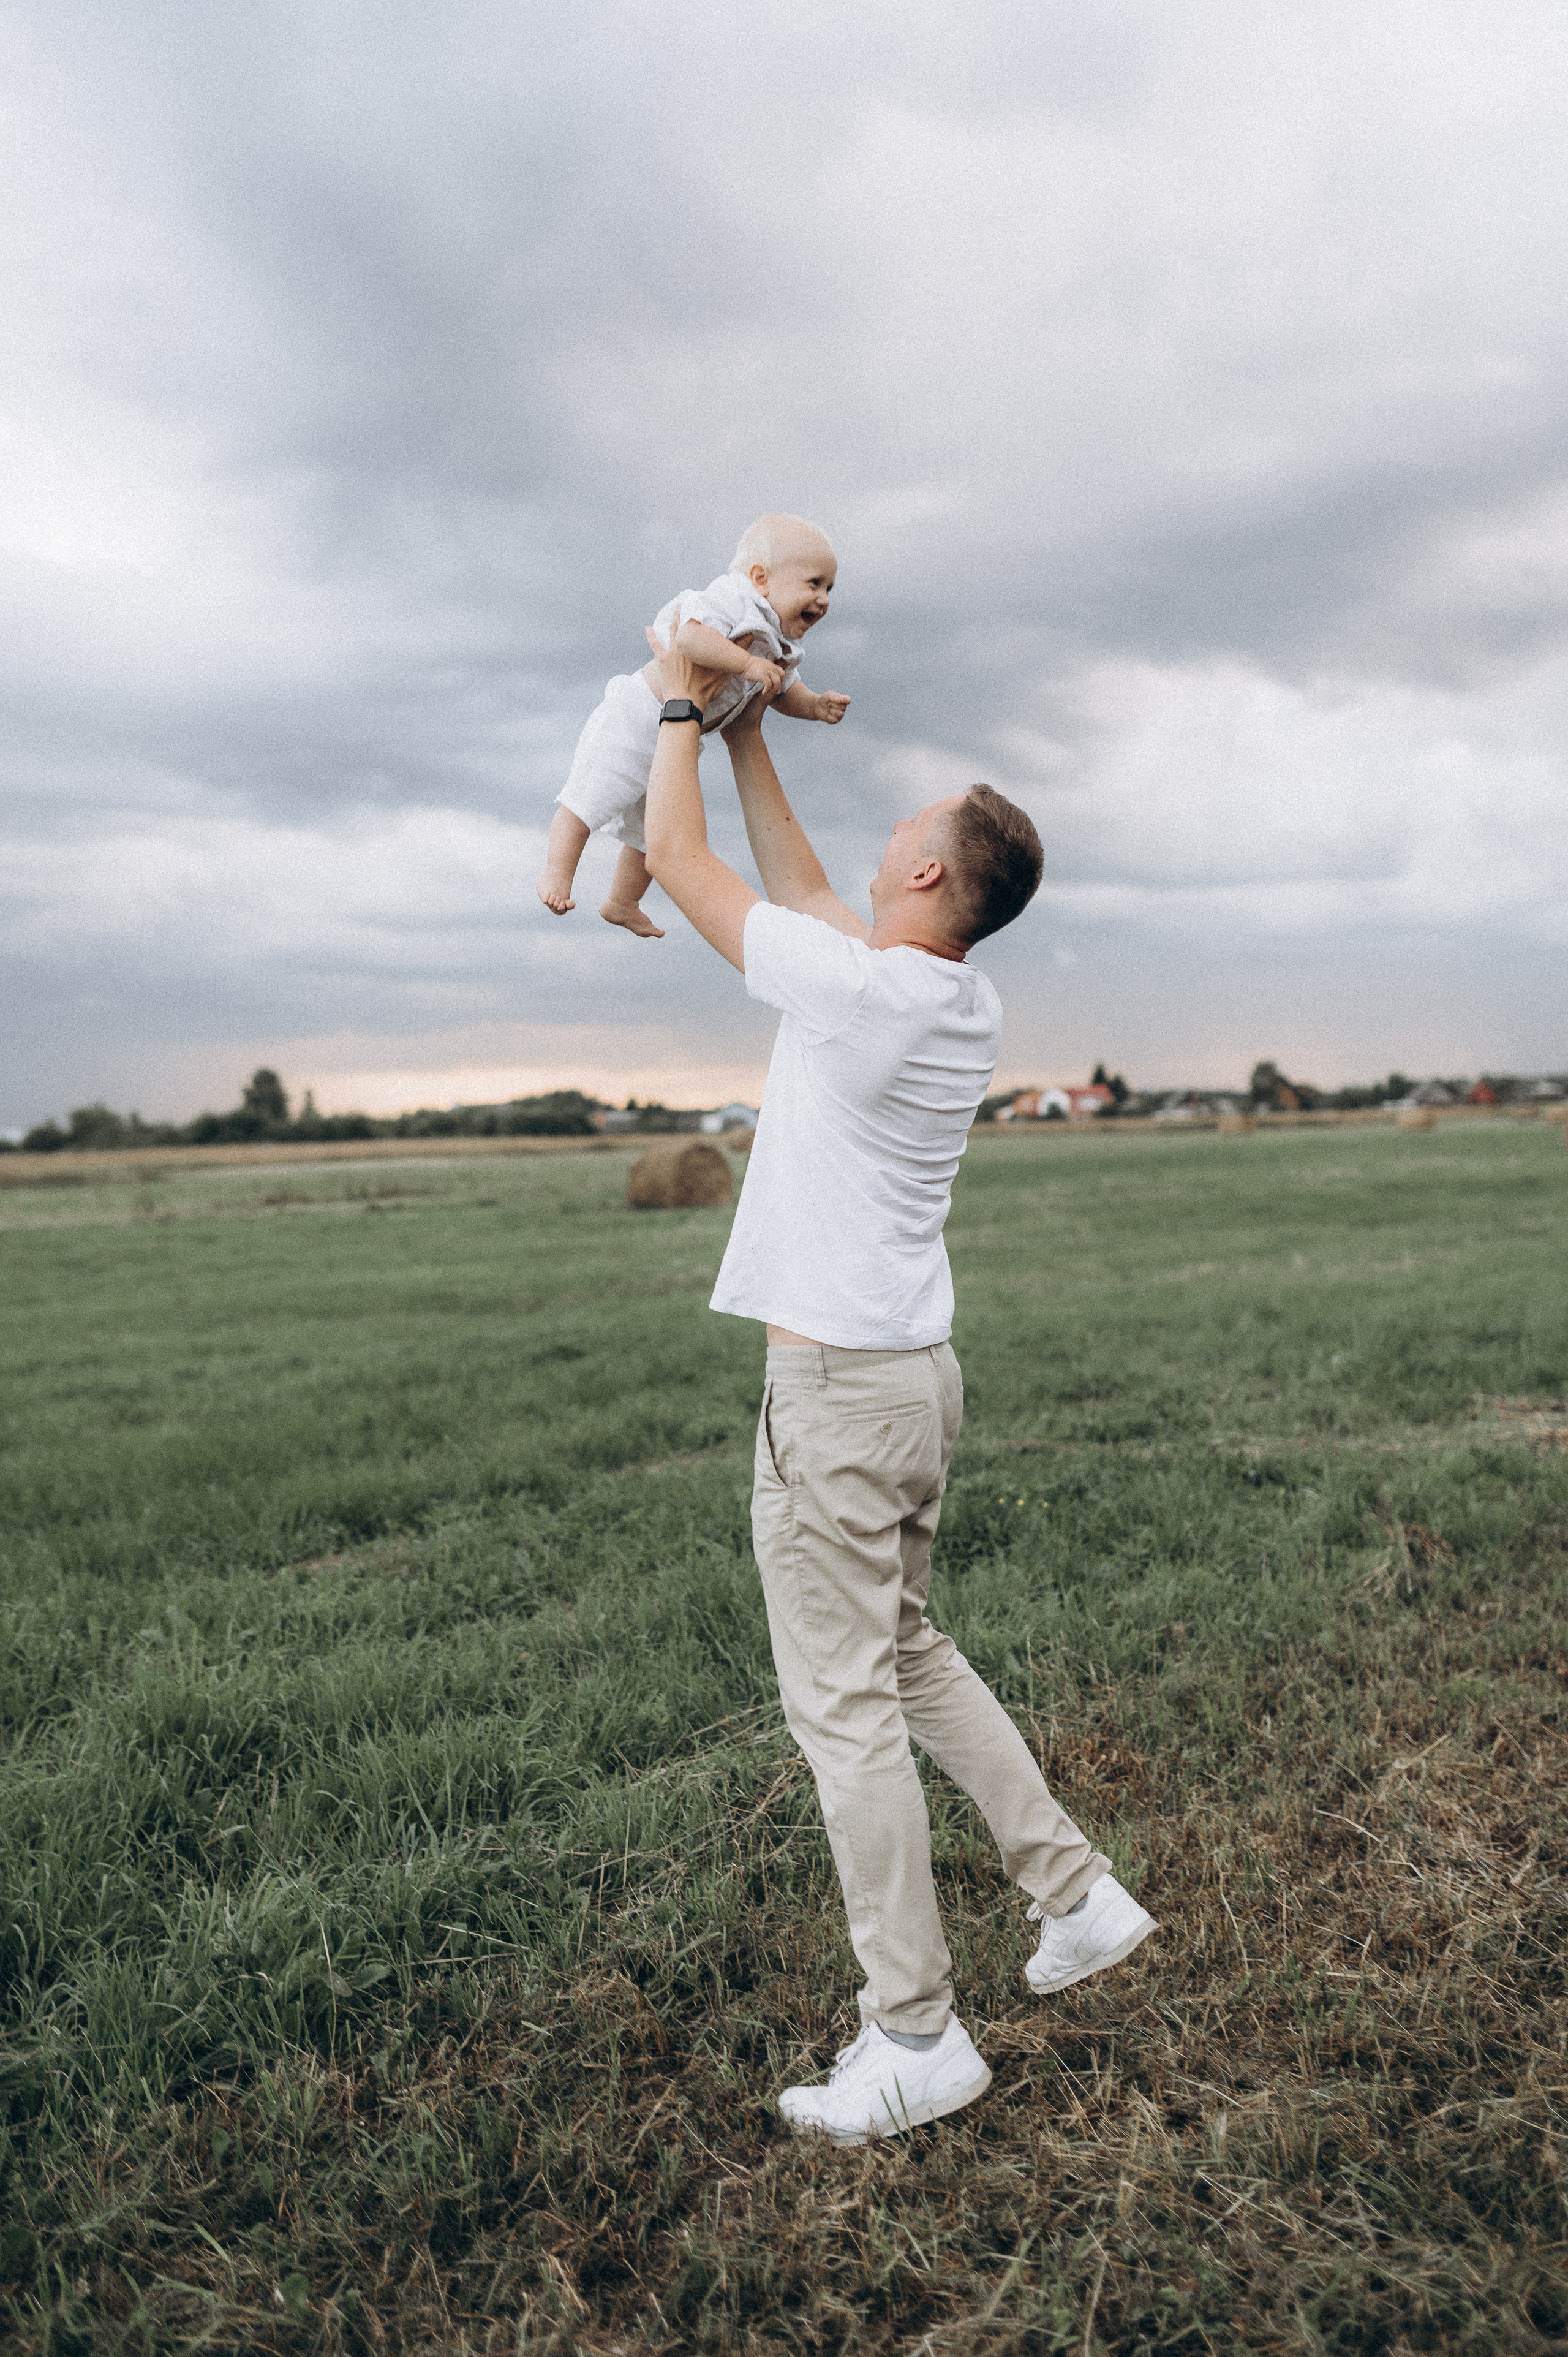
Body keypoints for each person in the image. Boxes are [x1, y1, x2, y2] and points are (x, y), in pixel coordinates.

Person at [636, 627, 1157, 2148]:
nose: (881, 844)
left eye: (904, 835)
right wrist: (745, 731)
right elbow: (801, 893)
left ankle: (913, 2033)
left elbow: (672, 853)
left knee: (844, 1700)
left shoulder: (864, 1000)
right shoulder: (943, 999)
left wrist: (677, 690)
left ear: (930, 880)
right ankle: (1075, 1896)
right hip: (913, 1378)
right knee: (909, 1649)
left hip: (840, 1389)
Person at [536, 514, 850, 939]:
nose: (824, 598)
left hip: (679, 732)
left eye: (829, 588)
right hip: (637, 715)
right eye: (814, 583)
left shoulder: (781, 643)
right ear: (760, 577)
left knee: (654, 827)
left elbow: (782, 691)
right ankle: (557, 873)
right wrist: (746, 662)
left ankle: (622, 901)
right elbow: (690, 639)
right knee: (589, 798)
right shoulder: (733, 599)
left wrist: (813, 705)